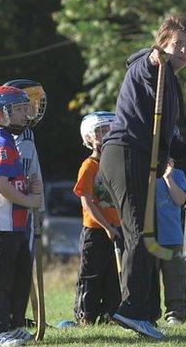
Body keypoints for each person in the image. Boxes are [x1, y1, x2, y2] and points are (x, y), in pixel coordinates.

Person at [99, 14, 186, 340]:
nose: (182, 50)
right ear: (161, 43)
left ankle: (144, 311)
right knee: (140, 232)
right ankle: (131, 310)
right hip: (123, 154)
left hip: (138, 157)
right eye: (176, 43)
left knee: (143, 234)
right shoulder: (148, 66)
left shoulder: (172, 81)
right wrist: (157, 57)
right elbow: (149, 63)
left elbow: (169, 139)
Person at [0, 86, 43, 347]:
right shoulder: (1, 143)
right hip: (0, 223)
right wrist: (29, 200)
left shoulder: (12, 143)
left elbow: (13, 181)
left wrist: (28, 185)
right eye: (16, 110)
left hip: (17, 223)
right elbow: (1, 187)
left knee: (18, 276)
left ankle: (14, 324)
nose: (22, 114)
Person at [3, 79, 47, 326]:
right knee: (11, 265)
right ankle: (9, 316)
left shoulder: (27, 133)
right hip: (13, 210)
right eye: (30, 102)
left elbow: (35, 173)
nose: (34, 108)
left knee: (24, 264)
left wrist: (39, 206)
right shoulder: (8, 138)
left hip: (30, 206)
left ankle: (19, 316)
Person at [72, 111, 121, 325]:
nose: (106, 134)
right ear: (89, 137)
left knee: (113, 275)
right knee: (91, 274)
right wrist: (106, 226)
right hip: (96, 230)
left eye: (109, 130)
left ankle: (112, 314)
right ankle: (86, 315)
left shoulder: (116, 164)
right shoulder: (89, 166)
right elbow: (87, 202)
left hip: (117, 228)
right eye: (100, 131)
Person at [156, 156, 186, 325]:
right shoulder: (144, 172)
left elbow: (180, 200)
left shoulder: (178, 174)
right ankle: (149, 313)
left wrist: (168, 177)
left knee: (175, 277)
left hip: (171, 238)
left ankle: (176, 314)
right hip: (150, 240)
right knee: (148, 278)